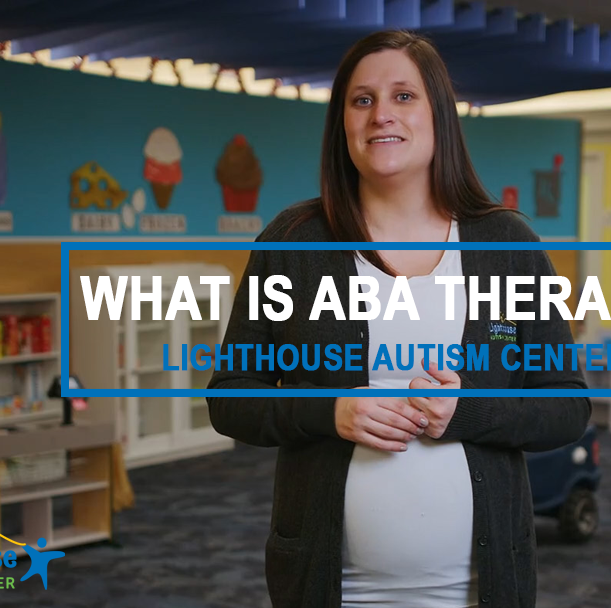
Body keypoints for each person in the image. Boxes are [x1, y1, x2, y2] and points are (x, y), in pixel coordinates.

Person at [208, 29, 591, 608]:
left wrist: (471, 412)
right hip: (332, 587)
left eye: (403, 96)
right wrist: (329, 410)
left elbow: (566, 408)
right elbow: (231, 397)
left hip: (480, 589)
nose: (381, 114)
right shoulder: (293, 242)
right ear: (343, 122)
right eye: (361, 100)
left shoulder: (508, 244)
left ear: (439, 113)